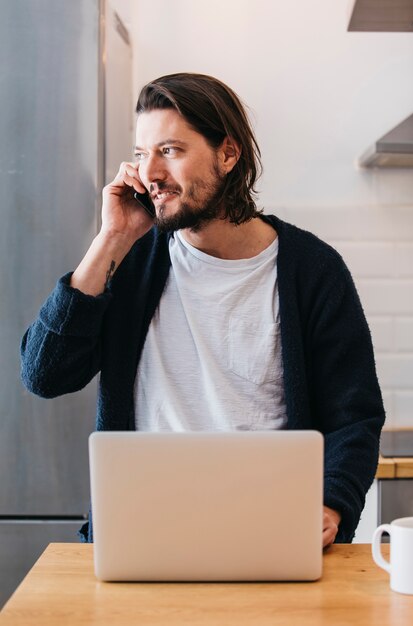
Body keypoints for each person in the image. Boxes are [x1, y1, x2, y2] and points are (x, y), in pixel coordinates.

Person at [20, 72, 385, 547]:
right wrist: (111, 238)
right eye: (140, 154)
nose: (149, 173)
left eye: (169, 151)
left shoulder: (312, 270)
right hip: (140, 530)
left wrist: (332, 502)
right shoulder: (128, 258)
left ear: (228, 154)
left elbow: (354, 416)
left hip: (270, 531)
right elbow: (45, 375)